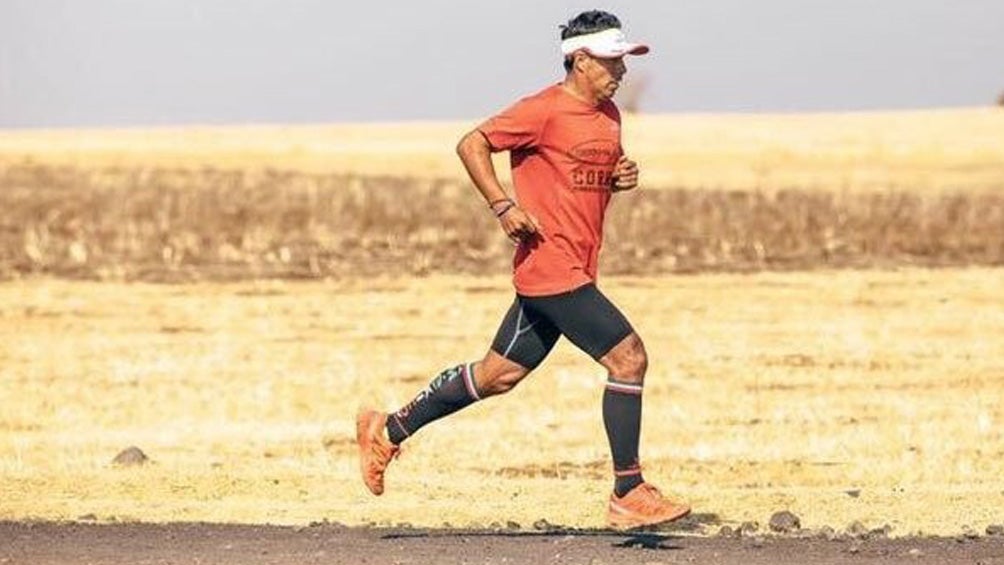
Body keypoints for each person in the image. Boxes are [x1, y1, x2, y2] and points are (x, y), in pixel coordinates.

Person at [356, 9, 690, 530]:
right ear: (579, 61)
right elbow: (472, 143)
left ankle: (387, 429)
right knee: (629, 359)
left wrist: (617, 177)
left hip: (574, 267)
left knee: (498, 376)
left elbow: (581, 178)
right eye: (610, 61)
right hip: (551, 268)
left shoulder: (609, 116)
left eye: (623, 60)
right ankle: (628, 490)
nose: (621, 71)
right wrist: (502, 205)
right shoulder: (542, 110)